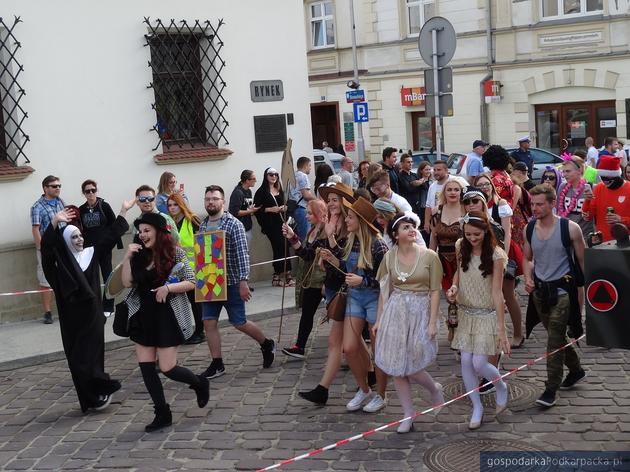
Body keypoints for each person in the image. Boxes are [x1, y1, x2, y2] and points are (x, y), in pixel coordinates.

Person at [121, 212, 210, 432]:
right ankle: (162, 412)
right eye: (140, 231)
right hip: (143, 316)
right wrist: (126, 258)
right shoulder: (139, 256)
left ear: (159, 232)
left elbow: (192, 281)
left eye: (147, 230)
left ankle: (199, 383)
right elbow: (127, 283)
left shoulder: (175, 253)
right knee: (146, 368)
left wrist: (168, 288)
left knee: (167, 368)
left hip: (167, 316)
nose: (142, 235)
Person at [41, 201, 132, 413]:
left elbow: (109, 237)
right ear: (65, 240)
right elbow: (46, 251)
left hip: (92, 317)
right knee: (78, 359)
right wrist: (54, 222)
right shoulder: (59, 267)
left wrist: (123, 211)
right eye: (73, 237)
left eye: (80, 236)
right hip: (72, 320)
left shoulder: (91, 254)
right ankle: (90, 396)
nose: (79, 239)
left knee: (93, 356)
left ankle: (100, 388)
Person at [373, 213, 444, 433]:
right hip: (396, 311)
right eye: (405, 227)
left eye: (413, 226)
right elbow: (385, 290)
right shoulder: (389, 257)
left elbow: (435, 291)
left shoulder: (430, 256)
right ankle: (407, 413)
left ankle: (434, 389)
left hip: (420, 310)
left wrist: (432, 322)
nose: (412, 230)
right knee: (397, 366)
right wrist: (379, 320)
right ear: (396, 234)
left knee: (413, 365)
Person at [199, 185, 276, 379]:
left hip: (232, 281)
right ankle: (217, 363)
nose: (211, 202)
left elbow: (243, 254)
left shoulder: (233, 224)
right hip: (209, 281)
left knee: (239, 322)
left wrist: (244, 281)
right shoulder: (202, 225)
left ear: (222, 201)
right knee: (209, 322)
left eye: (215, 199)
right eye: (208, 199)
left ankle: (266, 343)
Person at [320, 197, 389, 413]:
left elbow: (387, 281)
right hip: (354, 298)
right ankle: (364, 389)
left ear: (360, 220)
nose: (346, 220)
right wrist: (333, 260)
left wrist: (364, 281)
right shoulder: (351, 240)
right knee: (349, 347)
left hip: (375, 299)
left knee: (379, 353)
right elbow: (345, 266)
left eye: (350, 217)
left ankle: (381, 395)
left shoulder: (379, 246)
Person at [523, 185, 587, 408]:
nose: (535, 208)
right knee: (556, 336)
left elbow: (582, 264)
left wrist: (582, 299)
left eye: (540, 204)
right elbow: (528, 257)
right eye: (532, 203)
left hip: (563, 291)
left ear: (552, 203)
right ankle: (576, 370)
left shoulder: (570, 229)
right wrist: (528, 277)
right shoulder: (529, 228)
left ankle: (551, 389)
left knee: (553, 342)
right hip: (541, 292)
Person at [447, 211, 511, 429]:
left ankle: (500, 385)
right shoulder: (460, 246)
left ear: (486, 231)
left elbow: (497, 292)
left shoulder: (497, 255)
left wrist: (501, 330)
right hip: (466, 312)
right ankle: (477, 406)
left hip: (486, 314)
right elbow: (459, 272)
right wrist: (454, 286)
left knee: (479, 363)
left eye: (476, 234)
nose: (472, 239)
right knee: (465, 362)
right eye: (468, 235)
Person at [297, 182, 354, 406]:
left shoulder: (350, 224)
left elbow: (346, 261)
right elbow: (310, 254)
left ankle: (368, 379)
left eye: (335, 199)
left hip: (350, 287)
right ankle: (324, 389)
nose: (331, 204)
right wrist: (293, 237)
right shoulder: (327, 224)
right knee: (345, 342)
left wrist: (330, 239)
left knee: (345, 343)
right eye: (328, 200)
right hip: (332, 286)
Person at [473, 175, 524, 349]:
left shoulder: (500, 204)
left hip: (502, 252)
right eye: (480, 185)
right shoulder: (476, 205)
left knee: (508, 295)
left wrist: (504, 255)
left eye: (487, 184)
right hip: (483, 255)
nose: (484, 187)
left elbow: (508, 232)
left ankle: (518, 333)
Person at [280, 199, 328, 358]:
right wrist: (293, 237)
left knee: (338, 313)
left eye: (309, 213)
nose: (306, 216)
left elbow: (308, 254)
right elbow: (306, 254)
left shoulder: (326, 232)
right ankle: (300, 346)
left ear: (319, 214)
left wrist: (294, 238)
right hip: (311, 280)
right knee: (307, 314)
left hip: (323, 280)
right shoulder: (312, 230)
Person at [78, 179, 122, 317]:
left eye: (93, 190)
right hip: (88, 249)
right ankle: (94, 306)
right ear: (84, 193)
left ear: (96, 191)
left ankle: (108, 306)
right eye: (87, 191)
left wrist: (113, 243)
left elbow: (114, 225)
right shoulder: (81, 210)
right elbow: (80, 229)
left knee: (108, 275)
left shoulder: (104, 206)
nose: (91, 193)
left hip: (104, 248)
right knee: (91, 278)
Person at [167, 192, 205, 345]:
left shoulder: (193, 220)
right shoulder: (169, 222)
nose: (172, 208)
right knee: (185, 301)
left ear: (182, 205)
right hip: (178, 270)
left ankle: (199, 331)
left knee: (196, 302)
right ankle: (186, 330)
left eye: (175, 204)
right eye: (169, 205)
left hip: (195, 268)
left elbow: (203, 243)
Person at [31, 175, 66, 324]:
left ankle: (65, 308)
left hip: (64, 246)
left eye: (59, 185)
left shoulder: (61, 202)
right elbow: (35, 229)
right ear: (45, 188)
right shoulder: (37, 206)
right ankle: (47, 312)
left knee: (66, 275)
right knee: (45, 280)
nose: (57, 188)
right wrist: (42, 249)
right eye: (54, 186)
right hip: (47, 248)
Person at [253, 167, 293, 287]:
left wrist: (285, 208)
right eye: (271, 174)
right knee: (278, 247)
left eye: (275, 174)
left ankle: (286, 274)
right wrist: (270, 209)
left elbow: (287, 203)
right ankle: (279, 275)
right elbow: (256, 210)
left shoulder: (279, 189)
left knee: (285, 246)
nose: (273, 177)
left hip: (282, 223)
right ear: (266, 176)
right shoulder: (261, 192)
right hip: (271, 225)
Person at [582, 155, 630, 242]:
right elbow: (588, 217)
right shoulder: (599, 188)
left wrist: (621, 219)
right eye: (602, 177)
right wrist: (587, 200)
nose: (605, 180)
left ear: (616, 174)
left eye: (608, 176)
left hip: (625, 245)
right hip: (602, 244)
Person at [557, 156, 593, 238]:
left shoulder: (591, 188)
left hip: (585, 236)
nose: (564, 175)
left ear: (579, 170)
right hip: (566, 234)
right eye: (563, 171)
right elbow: (559, 211)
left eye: (568, 171)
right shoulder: (562, 187)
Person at [228, 170, 260, 250]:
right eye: (253, 179)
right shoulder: (237, 193)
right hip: (240, 229)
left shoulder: (248, 191)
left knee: (247, 251)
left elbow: (246, 207)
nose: (255, 181)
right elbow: (235, 212)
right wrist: (251, 211)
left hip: (247, 226)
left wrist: (251, 209)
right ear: (247, 180)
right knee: (243, 252)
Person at [290, 157, 316, 240]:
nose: (310, 168)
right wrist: (318, 200)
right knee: (305, 237)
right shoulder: (303, 176)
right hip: (302, 209)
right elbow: (306, 195)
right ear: (305, 166)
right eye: (310, 165)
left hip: (293, 209)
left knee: (297, 237)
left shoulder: (292, 175)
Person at [424, 160, 450, 233]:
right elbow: (428, 206)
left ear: (446, 170)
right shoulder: (432, 186)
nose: (435, 172)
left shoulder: (456, 181)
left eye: (439, 170)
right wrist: (427, 222)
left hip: (451, 222)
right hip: (436, 223)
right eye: (434, 170)